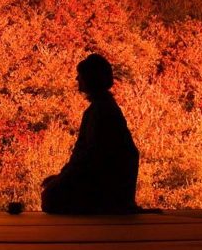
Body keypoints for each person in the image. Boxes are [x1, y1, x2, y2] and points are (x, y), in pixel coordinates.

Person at [41, 53, 140, 214]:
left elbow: (88, 156)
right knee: (51, 193)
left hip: (105, 184)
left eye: (80, 75)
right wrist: (62, 177)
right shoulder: (103, 108)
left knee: (50, 197)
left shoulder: (100, 111)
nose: (76, 79)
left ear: (90, 79)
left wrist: (61, 179)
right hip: (110, 181)